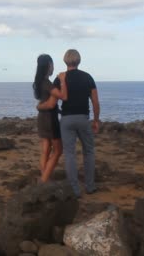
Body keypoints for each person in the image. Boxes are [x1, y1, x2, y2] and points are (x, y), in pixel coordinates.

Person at [41, 49, 100, 197]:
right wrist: (96, 120)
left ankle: (74, 190)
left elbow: (53, 102)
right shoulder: (88, 77)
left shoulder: (59, 78)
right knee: (89, 151)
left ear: (65, 61)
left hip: (66, 120)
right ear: (78, 60)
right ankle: (90, 186)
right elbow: (95, 102)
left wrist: (40, 106)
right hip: (83, 118)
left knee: (69, 154)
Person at [32, 54, 67, 183]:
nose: (53, 67)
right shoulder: (47, 83)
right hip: (49, 120)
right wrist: (62, 80)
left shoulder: (40, 82)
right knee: (58, 151)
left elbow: (47, 102)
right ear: (48, 66)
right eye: (52, 64)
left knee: (45, 150)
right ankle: (44, 180)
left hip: (42, 119)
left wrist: (58, 109)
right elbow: (62, 96)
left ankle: (44, 177)